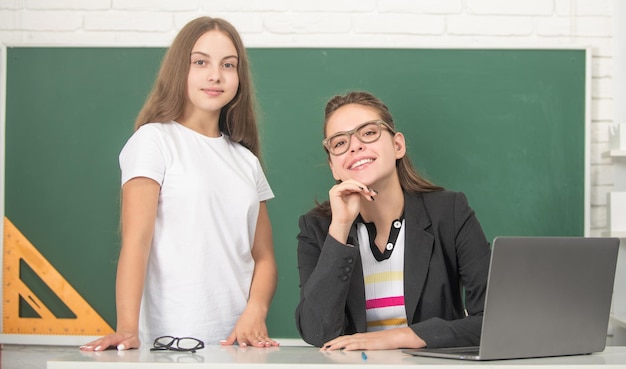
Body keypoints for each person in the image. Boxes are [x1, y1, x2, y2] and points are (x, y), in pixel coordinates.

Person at [81, 16, 278, 351]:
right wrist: (128, 328)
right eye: (200, 62)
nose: (215, 75)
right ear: (178, 70)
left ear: (239, 78)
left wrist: (255, 311)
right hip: (170, 345)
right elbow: (137, 242)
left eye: (228, 65)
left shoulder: (246, 161)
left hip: (238, 346)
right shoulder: (153, 141)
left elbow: (264, 257)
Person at [295, 91, 491, 351]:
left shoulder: (449, 212)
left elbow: (493, 320)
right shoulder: (318, 229)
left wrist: (400, 337)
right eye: (340, 143)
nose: (354, 146)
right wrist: (339, 230)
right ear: (333, 166)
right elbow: (317, 332)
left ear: (398, 145)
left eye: (368, 133)